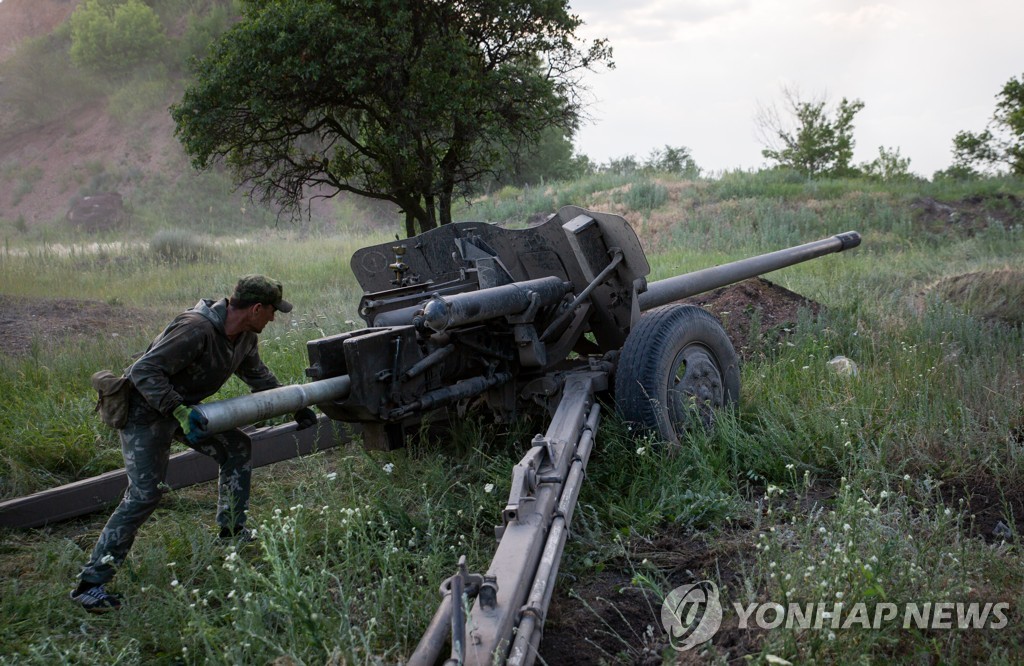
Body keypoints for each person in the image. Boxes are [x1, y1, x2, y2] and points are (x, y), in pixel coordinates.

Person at [71, 275, 317, 613]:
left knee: (236, 448)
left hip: (182, 410)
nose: (274, 319)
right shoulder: (196, 328)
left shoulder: (244, 336)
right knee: (145, 494)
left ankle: (232, 531)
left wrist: (297, 405)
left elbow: (258, 376)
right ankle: (91, 584)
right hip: (144, 413)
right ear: (257, 308)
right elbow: (144, 372)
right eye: (273, 312)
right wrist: (179, 411)